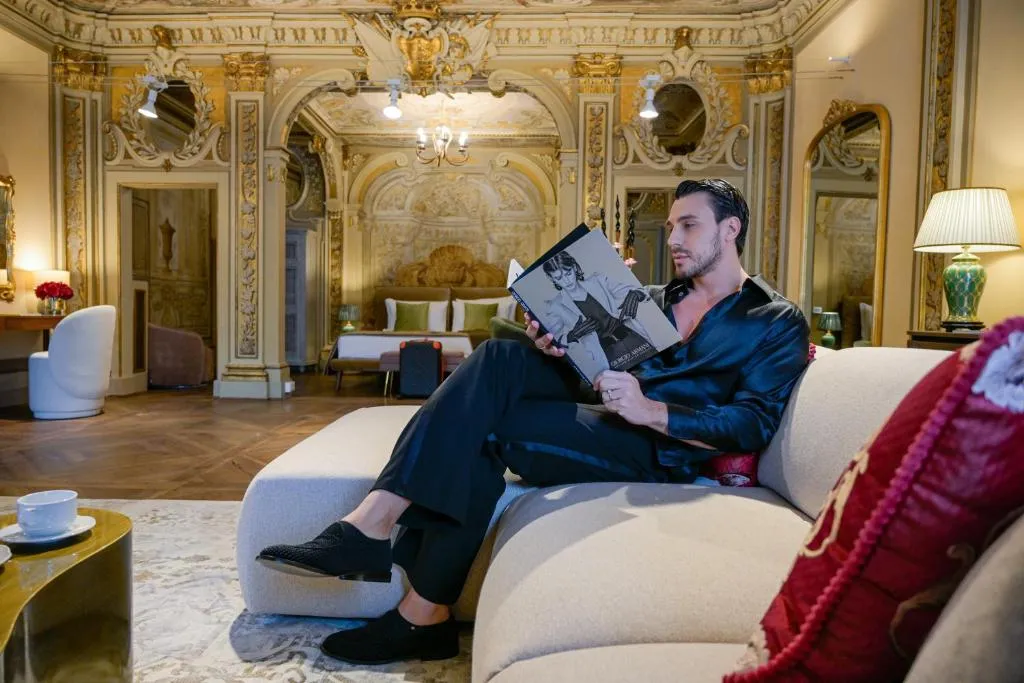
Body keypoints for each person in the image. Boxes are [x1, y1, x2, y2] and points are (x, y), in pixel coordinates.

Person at [256, 178, 810, 665]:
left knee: (485, 429)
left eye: (689, 225)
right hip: (608, 415)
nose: (673, 240)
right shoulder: (653, 299)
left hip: (660, 452)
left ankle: (412, 600)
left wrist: (652, 411)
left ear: (730, 229)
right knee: (499, 356)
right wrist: (557, 345)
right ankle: (380, 542)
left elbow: (753, 424)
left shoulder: (774, 319)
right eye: (670, 227)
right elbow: (599, 374)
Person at [541, 251, 654, 372]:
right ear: (551, 278)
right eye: (558, 278)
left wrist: (637, 294)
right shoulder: (555, 306)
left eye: (568, 273)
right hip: (607, 355)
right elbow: (553, 338)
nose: (566, 281)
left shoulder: (598, 281)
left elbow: (635, 289)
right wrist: (572, 335)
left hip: (635, 339)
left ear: (574, 267)